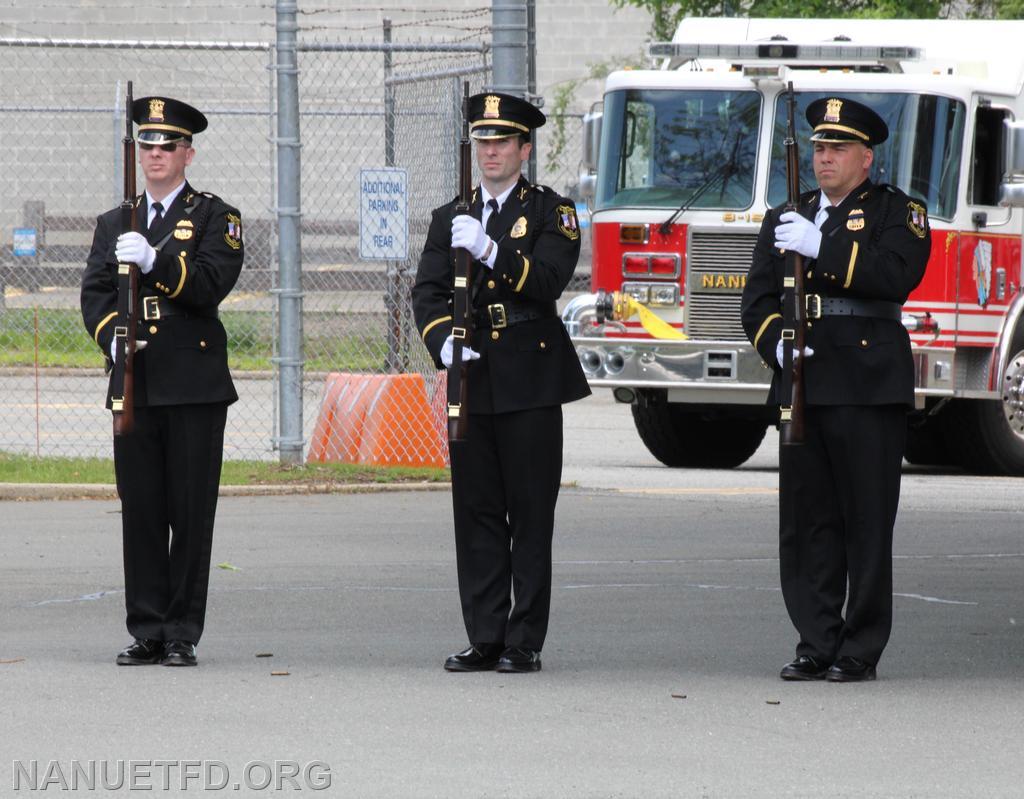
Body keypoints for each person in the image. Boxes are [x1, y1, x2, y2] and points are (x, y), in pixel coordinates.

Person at [741, 96, 931, 683]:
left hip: (867, 381)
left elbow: (895, 276)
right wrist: (776, 344)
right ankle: (815, 639)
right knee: (807, 521)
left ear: (866, 159)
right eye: (820, 148)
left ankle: (859, 647)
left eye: (837, 149)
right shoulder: (787, 215)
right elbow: (757, 299)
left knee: (866, 519)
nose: (825, 159)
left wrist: (822, 248)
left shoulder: (898, 212)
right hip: (803, 380)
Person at [412, 92, 590, 673]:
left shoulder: (550, 212)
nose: (491, 151)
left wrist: (490, 249)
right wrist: (442, 341)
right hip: (473, 376)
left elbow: (546, 280)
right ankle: (484, 634)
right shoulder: (452, 216)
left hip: (531, 375)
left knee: (530, 514)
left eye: (502, 142)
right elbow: (428, 292)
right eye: (483, 142)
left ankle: (523, 640)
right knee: (478, 511)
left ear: (524, 148)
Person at [81, 96, 244, 667]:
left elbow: (206, 287)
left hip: (193, 381)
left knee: (190, 508)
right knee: (142, 507)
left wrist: (154, 261)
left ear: (187, 154)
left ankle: (181, 631)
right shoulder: (114, 221)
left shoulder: (215, 217)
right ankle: (147, 627)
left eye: (167, 145)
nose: (155, 154)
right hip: (138, 377)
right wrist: (114, 342)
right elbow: (95, 297)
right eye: (147, 145)